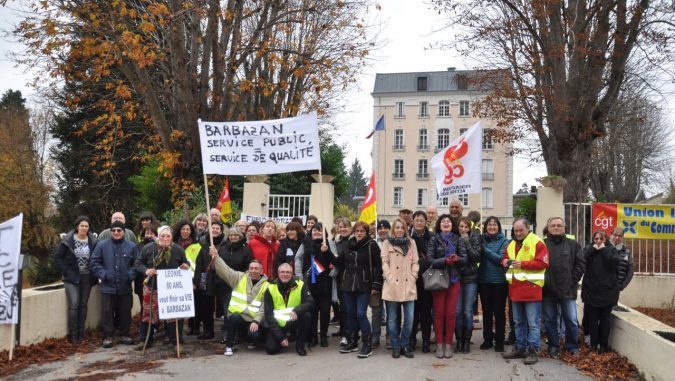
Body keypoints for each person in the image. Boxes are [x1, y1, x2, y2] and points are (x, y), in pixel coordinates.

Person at [501, 218, 549, 365]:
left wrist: (523, 264)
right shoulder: (512, 243)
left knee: (533, 323)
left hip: (532, 288)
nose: (518, 233)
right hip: (515, 288)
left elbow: (543, 262)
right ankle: (520, 348)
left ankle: (533, 350)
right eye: (516, 230)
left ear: (528, 228)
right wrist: (504, 262)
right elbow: (505, 258)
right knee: (518, 322)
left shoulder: (537, 242)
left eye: (521, 230)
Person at [134, 226, 190, 348]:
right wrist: (146, 270)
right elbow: (138, 263)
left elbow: (185, 262)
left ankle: (176, 341)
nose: (165, 238)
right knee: (149, 314)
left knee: (173, 315)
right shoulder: (148, 248)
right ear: (158, 237)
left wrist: (186, 266)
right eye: (162, 236)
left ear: (171, 238)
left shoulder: (178, 249)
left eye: (168, 236)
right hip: (152, 287)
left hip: (171, 288)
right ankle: (146, 340)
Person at [334, 221, 382, 359]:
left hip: (365, 284)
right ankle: (353, 341)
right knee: (350, 313)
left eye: (362, 231)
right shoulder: (349, 244)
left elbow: (378, 266)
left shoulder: (371, 245)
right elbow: (338, 262)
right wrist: (326, 253)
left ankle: (367, 343)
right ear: (354, 232)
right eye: (357, 231)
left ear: (367, 232)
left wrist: (376, 285)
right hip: (348, 284)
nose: (359, 233)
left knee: (361, 313)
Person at [90, 220, 139, 348]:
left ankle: (124, 334)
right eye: (114, 230)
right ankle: (107, 336)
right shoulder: (102, 245)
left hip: (125, 286)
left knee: (125, 311)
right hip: (107, 287)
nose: (116, 232)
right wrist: (103, 274)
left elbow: (136, 264)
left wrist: (130, 276)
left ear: (124, 232)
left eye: (119, 230)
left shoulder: (131, 246)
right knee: (107, 312)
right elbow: (94, 262)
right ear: (111, 232)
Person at [210, 253, 269, 356]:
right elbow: (226, 271)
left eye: (256, 269)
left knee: (255, 334)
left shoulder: (267, 285)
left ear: (261, 271)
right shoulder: (240, 277)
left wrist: (256, 321)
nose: (253, 271)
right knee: (234, 317)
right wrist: (216, 257)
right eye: (251, 268)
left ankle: (253, 339)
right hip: (239, 316)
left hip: (255, 320)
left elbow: (263, 308)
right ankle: (229, 347)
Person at [543, 217, 585, 357]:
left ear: (564, 228)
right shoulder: (542, 244)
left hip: (568, 290)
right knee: (550, 320)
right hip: (548, 290)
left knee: (571, 320)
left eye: (559, 225)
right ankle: (553, 346)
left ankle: (572, 346)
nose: (556, 228)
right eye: (553, 225)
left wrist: (572, 280)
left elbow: (580, 264)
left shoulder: (573, 245)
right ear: (548, 228)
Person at [54, 216, 98, 344]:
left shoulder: (93, 241)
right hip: (71, 277)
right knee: (74, 304)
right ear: (77, 226)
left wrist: (95, 275)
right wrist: (67, 272)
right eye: (82, 225)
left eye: (86, 226)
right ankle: (73, 335)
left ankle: (81, 333)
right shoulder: (67, 240)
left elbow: (96, 258)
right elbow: (58, 258)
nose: (84, 228)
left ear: (89, 228)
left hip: (87, 277)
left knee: (83, 304)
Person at [381, 218, 419, 358]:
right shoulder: (387, 243)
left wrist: (413, 276)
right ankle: (396, 346)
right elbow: (384, 262)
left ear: (405, 229)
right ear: (393, 229)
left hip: (408, 284)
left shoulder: (411, 243)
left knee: (409, 318)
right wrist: (389, 277)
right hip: (392, 284)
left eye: (401, 228)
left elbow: (415, 261)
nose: (399, 230)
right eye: (396, 227)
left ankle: (404, 345)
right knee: (392, 318)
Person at [427, 214, 463, 358]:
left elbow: (465, 259)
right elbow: (430, 260)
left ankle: (448, 343)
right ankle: (439, 344)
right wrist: (444, 260)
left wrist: (457, 258)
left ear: (452, 224)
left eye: (448, 221)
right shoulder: (434, 239)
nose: (446, 223)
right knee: (438, 313)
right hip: (439, 280)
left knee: (450, 313)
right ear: (439, 225)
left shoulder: (458, 239)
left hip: (454, 280)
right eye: (443, 221)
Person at [582, 230, 621, 353]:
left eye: (601, 239)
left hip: (607, 291)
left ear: (606, 240)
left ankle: (603, 345)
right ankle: (593, 344)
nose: (598, 241)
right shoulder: (589, 249)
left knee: (605, 319)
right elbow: (583, 259)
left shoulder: (611, 249)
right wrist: (594, 249)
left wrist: (603, 249)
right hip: (591, 290)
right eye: (596, 239)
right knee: (592, 319)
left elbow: (614, 263)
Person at [264, 263, 314, 356]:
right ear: (278, 273)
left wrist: (297, 310)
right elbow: (269, 315)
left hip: (294, 320)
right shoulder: (270, 288)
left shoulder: (301, 285)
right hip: (279, 324)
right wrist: (281, 338)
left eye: (288, 272)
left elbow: (310, 302)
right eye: (282, 272)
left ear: (292, 274)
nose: (285, 274)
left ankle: (300, 345)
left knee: (307, 315)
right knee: (271, 349)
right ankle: (286, 337)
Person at [478, 216, 510, 352]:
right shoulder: (480, 239)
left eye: (494, 224)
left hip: (499, 282)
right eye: (489, 225)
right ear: (485, 227)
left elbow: (501, 259)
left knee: (499, 312)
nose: (492, 227)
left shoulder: (505, 241)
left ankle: (500, 340)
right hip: (484, 280)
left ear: (499, 227)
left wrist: (484, 250)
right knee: (486, 312)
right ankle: (488, 339)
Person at [299, 223, 334, 347]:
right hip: (311, 283)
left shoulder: (329, 244)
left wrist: (326, 251)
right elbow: (302, 261)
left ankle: (323, 336)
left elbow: (334, 261)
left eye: (320, 230)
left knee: (325, 312)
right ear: (311, 232)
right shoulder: (305, 244)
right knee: (312, 312)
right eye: (315, 230)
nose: (317, 232)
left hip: (325, 283)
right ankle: (313, 336)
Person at [215, 229, 253, 341]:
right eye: (231, 235)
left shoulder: (246, 250)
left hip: (239, 283)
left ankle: (238, 332)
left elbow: (248, 266)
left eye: (236, 235)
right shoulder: (222, 249)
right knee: (227, 310)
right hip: (224, 284)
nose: (233, 237)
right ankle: (228, 332)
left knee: (238, 309)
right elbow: (218, 265)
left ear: (240, 237)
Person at [193, 221, 227, 340]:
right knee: (206, 305)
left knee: (224, 305)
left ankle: (227, 332)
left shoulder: (225, 244)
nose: (215, 230)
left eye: (218, 228)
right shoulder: (202, 243)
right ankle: (208, 330)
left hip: (221, 277)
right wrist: (197, 281)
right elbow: (198, 264)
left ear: (221, 231)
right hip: (206, 277)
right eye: (213, 228)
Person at [455, 217, 482, 353]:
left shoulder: (474, 238)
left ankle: (467, 340)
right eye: (461, 226)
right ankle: (459, 339)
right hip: (457, 278)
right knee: (458, 311)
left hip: (470, 278)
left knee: (467, 310)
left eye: (466, 227)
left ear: (469, 228)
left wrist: (467, 243)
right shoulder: (454, 238)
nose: (463, 229)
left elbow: (476, 256)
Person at [173, 219, 202, 336]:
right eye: (183, 229)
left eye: (188, 229)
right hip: (176, 280)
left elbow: (199, 266)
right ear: (179, 230)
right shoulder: (173, 245)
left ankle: (194, 326)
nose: (185, 231)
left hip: (191, 279)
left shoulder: (197, 246)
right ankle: (176, 330)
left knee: (194, 304)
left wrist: (195, 282)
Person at [410, 211, 433, 353]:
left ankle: (426, 340)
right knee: (412, 311)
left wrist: (420, 268)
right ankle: (412, 338)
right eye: (416, 220)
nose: (419, 222)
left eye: (421, 220)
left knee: (426, 312)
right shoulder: (408, 237)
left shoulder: (431, 237)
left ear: (426, 222)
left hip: (426, 278)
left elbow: (433, 255)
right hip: (411, 279)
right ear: (412, 221)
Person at [610, 227, 634, 292]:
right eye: (615, 235)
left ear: (623, 238)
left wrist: (622, 285)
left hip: (616, 288)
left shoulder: (627, 252)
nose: (617, 237)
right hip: (602, 287)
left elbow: (630, 272)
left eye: (620, 236)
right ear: (610, 235)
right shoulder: (604, 248)